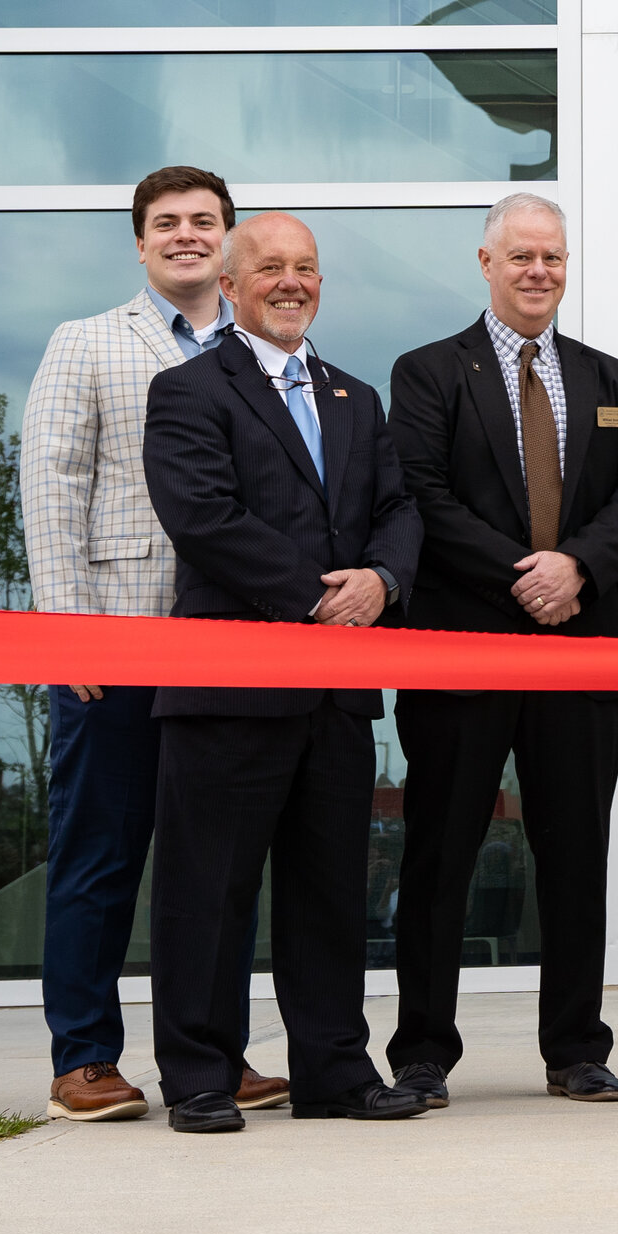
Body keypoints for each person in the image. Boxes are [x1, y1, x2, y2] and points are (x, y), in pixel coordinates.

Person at [141, 211, 426, 1133]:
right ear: (230, 286)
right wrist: (320, 597)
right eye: (270, 268)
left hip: (337, 696)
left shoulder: (356, 397)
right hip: (230, 684)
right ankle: (199, 1076)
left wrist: (382, 581)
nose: (291, 282)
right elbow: (205, 520)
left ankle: (336, 1073)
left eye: (305, 268)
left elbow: (397, 508)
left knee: (329, 894)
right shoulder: (187, 392)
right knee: (208, 893)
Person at [384, 193, 618, 1108]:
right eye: (521, 257)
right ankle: (423, 1053)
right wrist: (525, 572)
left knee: (576, 851)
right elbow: (423, 493)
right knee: (441, 853)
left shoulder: (608, 376)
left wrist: (576, 567)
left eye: (552, 257)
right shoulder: (428, 373)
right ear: (486, 262)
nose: (538, 272)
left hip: (584, 647)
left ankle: (577, 1048)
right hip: (463, 647)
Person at [21, 165, 287, 1122]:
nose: (186, 235)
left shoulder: (270, 350)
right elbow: (51, 488)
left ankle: (215, 1052)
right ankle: (84, 1057)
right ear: (140, 244)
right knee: (100, 853)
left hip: (235, 649)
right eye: (166, 223)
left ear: (228, 240)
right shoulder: (87, 343)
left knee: (217, 862)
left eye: (204, 221)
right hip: (119, 641)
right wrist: (68, 631)